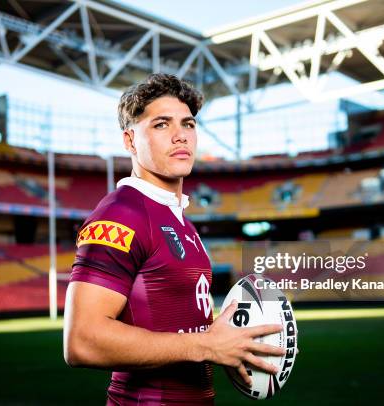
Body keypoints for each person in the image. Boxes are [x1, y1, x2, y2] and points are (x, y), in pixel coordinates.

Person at [64, 73, 284, 405]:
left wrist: (226, 339)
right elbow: (82, 341)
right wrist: (208, 345)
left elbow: (177, 322)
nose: (180, 135)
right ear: (129, 141)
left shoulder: (179, 219)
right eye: (161, 125)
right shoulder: (122, 213)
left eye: (189, 124)